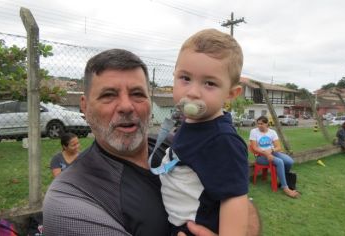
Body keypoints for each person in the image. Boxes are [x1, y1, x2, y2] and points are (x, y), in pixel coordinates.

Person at [43, 49, 260, 236]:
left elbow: (243, 205)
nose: (126, 106)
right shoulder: (71, 197)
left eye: (138, 94)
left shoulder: (178, 145)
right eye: (109, 95)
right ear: (85, 106)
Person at [156, 29, 249, 236]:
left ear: (231, 93)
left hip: (195, 229)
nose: (192, 92)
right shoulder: (192, 123)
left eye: (209, 83)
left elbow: (234, 198)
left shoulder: (222, 140)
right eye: (185, 78)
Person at [249, 115, 300, 198]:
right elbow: (254, 148)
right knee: (279, 162)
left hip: (272, 152)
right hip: (260, 156)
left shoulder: (272, 132)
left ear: (266, 124)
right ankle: (285, 188)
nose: (259, 126)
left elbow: (278, 147)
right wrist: (266, 154)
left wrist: (271, 151)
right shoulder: (254, 131)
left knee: (289, 161)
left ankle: (282, 179)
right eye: (258, 124)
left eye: (261, 124)